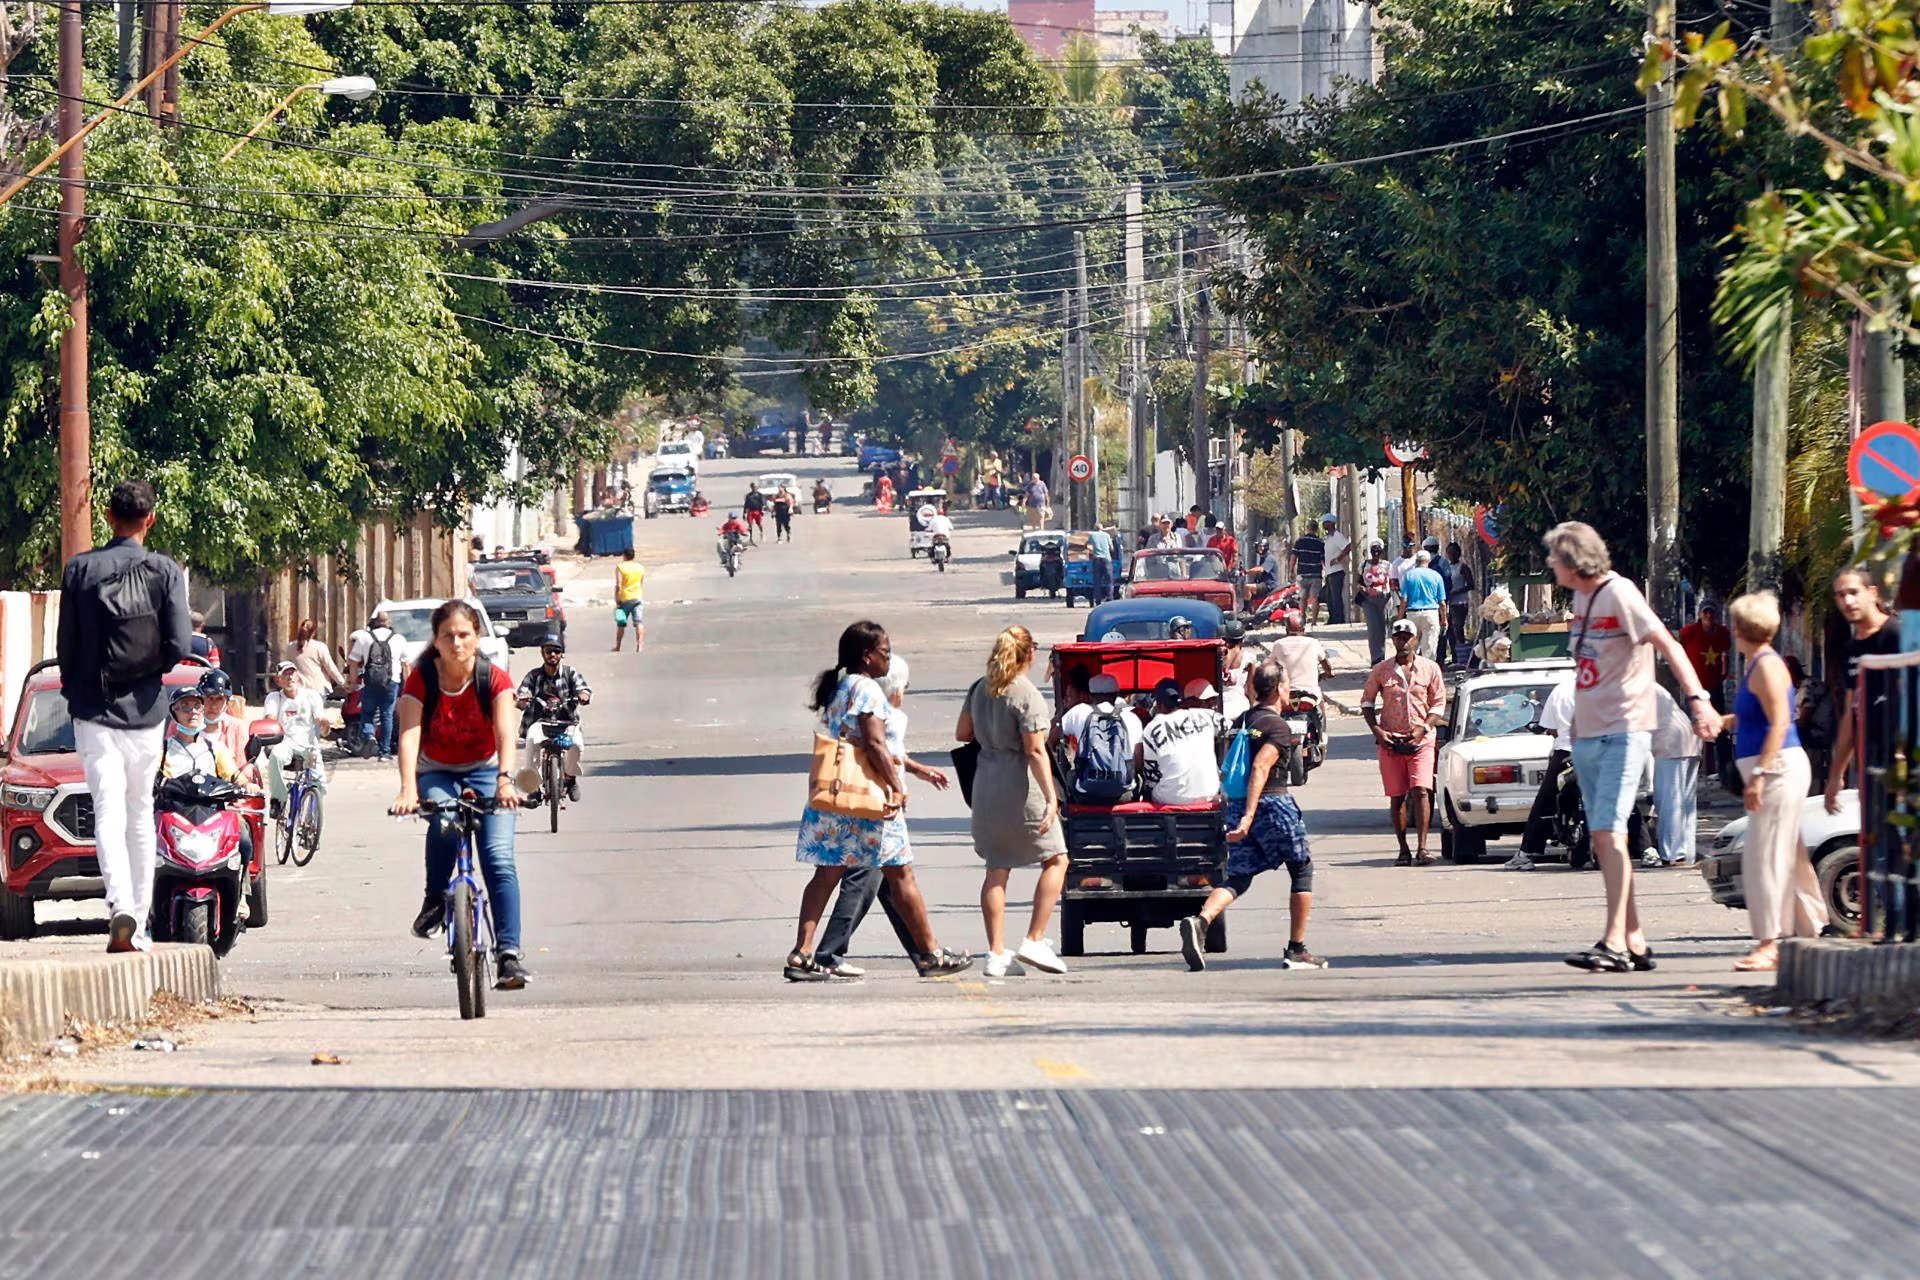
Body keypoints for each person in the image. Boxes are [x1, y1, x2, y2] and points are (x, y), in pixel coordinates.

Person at [1546, 521, 1718, 974]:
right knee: (1608, 841)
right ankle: (1636, 940)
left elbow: (1668, 645)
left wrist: (1698, 700)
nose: (1550, 565)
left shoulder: (1620, 593)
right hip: (1589, 734)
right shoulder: (1581, 600)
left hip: (1625, 730)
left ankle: (1613, 942)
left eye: (1555, 557)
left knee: (1608, 833)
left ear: (1574, 561)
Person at [789, 622, 970, 981]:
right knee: (902, 874)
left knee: (826, 874)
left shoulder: (839, 687)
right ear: (866, 656)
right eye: (884, 652)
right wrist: (895, 787)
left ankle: (802, 952)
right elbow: (873, 744)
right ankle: (932, 954)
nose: (888, 658)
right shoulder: (868, 689)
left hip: (837, 794)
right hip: (870, 801)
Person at [56, 480, 192, 953]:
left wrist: (80, 695)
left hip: (94, 713)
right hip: (148, 713)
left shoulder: (80, 570)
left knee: (107, 813)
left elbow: (66, 647)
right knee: (140, 814)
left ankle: (121, 909)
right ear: (149, 519)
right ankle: (143, 918)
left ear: (108, 518)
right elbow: (178, 644)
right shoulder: (166, 571)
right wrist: (147, 676)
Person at [391, 599, 530, 990]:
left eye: (464, 634)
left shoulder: (494, 678)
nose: (456, 643)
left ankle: (509, 955)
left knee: (499, 859)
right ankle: (435, 898)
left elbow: (507, 734)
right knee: (446, 821)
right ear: (435, 640)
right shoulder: (422, 680)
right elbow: (409, 734)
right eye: (448, 636)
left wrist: (505, 781)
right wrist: (407, 789)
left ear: (477, 636)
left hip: (488, 771)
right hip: (438, 770)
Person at [1179, 660, 1324, 971]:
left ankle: (1201, 921)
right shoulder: (1277, 727)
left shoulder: (1241, 721)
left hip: (1237, 803)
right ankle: (1297, 949)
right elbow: (1259, 767)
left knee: (1239, 876)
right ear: (1278, 690)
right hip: (1271, 805)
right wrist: (1249, 816)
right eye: (1286, 685)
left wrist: (1239, 813)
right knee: (1301, 870)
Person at [1724, 592, 1829, 970]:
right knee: (1789, 850)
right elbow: (1761, 718)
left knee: (1765, 854)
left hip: (1777, 768)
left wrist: (1760, 775)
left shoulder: (1767, 665)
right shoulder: (1758, 663)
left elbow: (1782, 722)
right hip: (1773, 766)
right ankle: (1809, 926)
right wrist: (1725, 722)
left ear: (1740, 628)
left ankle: (1771, 941)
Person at [957, 625, 1070, 978]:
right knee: (1056, 858)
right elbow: (1035, 750)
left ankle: (996, 953)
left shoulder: (980, 688)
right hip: (1020, 786)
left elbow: (963, 733)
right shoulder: (1026, 694)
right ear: (1028, 654)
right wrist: (1052, 798)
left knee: (996, 868)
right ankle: (1035, 938)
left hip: (986, 783)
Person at [1361, 620, 1446, 864]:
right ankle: (1403, 850)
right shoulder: (1381, 670)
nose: (1404, 642)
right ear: (1393, 640)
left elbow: (1438, 703)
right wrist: (1378, 731)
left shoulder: (1430, 669)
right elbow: (1367, 703)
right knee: (1397, 795)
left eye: (1408, 637)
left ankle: (1422, 848)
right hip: (1391, 742)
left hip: (1422, 740)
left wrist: (1425, 727)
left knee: (1421, 791)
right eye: (1399, 637)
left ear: (1416, 639)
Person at [1823, 567, 1899, 814]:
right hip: (1873, 765)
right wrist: (1836, 775)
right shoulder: (1851, 650)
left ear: (1873, 593)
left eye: (1854, 592)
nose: (1847, 601)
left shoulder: (1897, 636)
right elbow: (1851, 714)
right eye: (1840, 595)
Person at [517, 635, 593, 802]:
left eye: (556, 651)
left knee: (577, 746)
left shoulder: (570, 673)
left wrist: (583, 695)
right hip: (539, 722)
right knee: (530, 746)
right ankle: (534, 787)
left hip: (567, 722)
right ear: (542, 653)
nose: (553, 655)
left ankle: (570, 779)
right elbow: (522, 693)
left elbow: (584, 689)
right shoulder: (534, 675)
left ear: (561, 654)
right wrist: (523, 699)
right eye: (549, 651)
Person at [1509, 679, 1574, 872]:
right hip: (1602, 751)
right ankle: (1646, 849)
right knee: (1622, 797)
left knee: (1545, 801)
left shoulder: (1563, 689)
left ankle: (1526, 853)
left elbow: (1550, 728)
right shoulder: (1610, 685)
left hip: (1567, 752)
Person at [1140, 677, 1223, 805]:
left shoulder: (1151, 728)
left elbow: (1151, 775)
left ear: (1158, 703)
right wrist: (1257, 734)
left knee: (1149, 788)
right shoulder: (1205, 715)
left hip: (1172, 799)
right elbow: (1238, 731)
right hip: (1210, 793)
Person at [262, 662, 327, 822]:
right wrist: (268, 726)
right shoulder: (275, 698)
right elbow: (270, 718)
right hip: (286, 743)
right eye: (285, 674)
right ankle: (278, 799)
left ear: (298, 676)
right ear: (278, 680)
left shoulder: (311, 696)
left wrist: (324, 725)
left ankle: (310, 822)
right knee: (275, 757)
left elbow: (320, 719)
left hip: (309, 745)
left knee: (319, 783)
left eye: (292, 673)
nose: (289, 677)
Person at [1646, 685, 1699, 868]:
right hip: (1687, 738)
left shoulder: (1632, 686)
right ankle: (1687, 853)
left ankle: (1674, 855)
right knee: (1685, 802)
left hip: (1670, 743)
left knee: (1669, 800)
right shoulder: (1651, 685)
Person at [347, 610, 402, 760]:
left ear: (375, 622)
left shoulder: (365, 637)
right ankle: (384, 751)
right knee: (387, 715)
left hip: (370, 682)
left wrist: (352, 682)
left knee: (367, 713)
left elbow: (352, 661)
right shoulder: (398, 639)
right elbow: (407, 664)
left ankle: (370, 735)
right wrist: (407, 686)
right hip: (392, 682)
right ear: (389, 622)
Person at [1272, 614, 1333, 744]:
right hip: (1310, 694)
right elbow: (1325, 663)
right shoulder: (1313, 643)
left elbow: (1269, 665)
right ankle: (1322, 736)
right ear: (1303, 629)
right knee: (1320, 707)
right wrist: (1328, 673)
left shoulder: (1278, 644)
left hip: (1286, 695)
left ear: (1286, 629)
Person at [1398, 550, 1448, 661]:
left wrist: (1400, 617)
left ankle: (1412, 671)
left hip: (1412, 614)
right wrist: (1444, 619)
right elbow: (1442, 603)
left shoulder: (1409, 576)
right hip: (1431, 613)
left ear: (1416, 562)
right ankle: (1427, 673)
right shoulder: (1436, 576)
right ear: (1428, 562)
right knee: (1429, 648)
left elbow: (1404, 599)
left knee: (1412, 647)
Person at [197, 668, 248, 763]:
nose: (213, 705)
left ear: (227, 703)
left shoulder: (238, 728)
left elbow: (244, 767)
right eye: (209, 698)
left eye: (219, 699)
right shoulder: (181, 726)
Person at [284, 618, 345, 696]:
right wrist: (343, 683)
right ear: (313, 633)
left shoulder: (290, 647)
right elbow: (331, 669)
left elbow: (286, 668)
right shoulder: (320, 647)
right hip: (318, 689)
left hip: (299, 690)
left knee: (302, 709)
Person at [1360, 542, 1392, 665]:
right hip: (1368, 600)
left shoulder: (1387, 565)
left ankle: (1382, 657)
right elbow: (1359, 581)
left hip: (1383, 599)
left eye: (1378, 551)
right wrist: (1363, 589)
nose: (1376, 554)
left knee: (1382, 628)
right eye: (1373, 551)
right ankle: (1375, 659)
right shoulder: (1363, 565)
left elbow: (1392, 581)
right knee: (1373, 629)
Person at [1444, 542, 1476, 664]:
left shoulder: (1462, 567)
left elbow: (1471, 585)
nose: (1452, 555)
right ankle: (1454, 656)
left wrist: (1457, 592)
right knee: (1450, 630)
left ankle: (1463, 657)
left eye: (1454, 552)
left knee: (1458, 628)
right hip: (1449, 602)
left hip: (1460, 602)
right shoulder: (1447, 567)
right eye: (1449, 552)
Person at [1291, 518, 1326, 628]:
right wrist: (1327, 572)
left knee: (1303, 598)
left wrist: (1291, 571)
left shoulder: (1300, 541)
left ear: (1308, 528)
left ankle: (1302, 618)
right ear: (1316, 529)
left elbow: (1293, 557)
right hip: (1316, 574)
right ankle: (1314, 622)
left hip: (1302, 574)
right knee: (1315, 598)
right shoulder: (1320, 543)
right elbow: (1323, 559)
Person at [613, 548, 646, 653]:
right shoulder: (640, 567)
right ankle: (639, 646)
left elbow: (618, 584)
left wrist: (617, 598)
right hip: (637, 597)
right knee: (638, 622)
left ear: (624, 556)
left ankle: (618, 646)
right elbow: (641, 583)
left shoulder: (620, 567)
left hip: (625, 599)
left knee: (621, 624)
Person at [1322, 515, 1351, 626]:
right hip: (1329, 572)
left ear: (1331, 523)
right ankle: (1332, 618)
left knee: (1336, 597)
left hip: (1337, 571)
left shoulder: (1337, 536)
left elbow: (1348, 546)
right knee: (1329, 598)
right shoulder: (1328, 537)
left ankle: (1339, 619)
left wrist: (1338, 558)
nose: (1323, 525)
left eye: (1325, 522)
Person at [1088, 525, 1115, 603]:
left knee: (1097, 581)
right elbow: (1112, 548)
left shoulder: (1092, 535)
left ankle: (1098, 600)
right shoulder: (1106, 535)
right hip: (1106, 559)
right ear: (1102, 528)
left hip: (1096, 560)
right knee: (1109, 580)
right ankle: (1110, 598)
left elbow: (1086, 545)